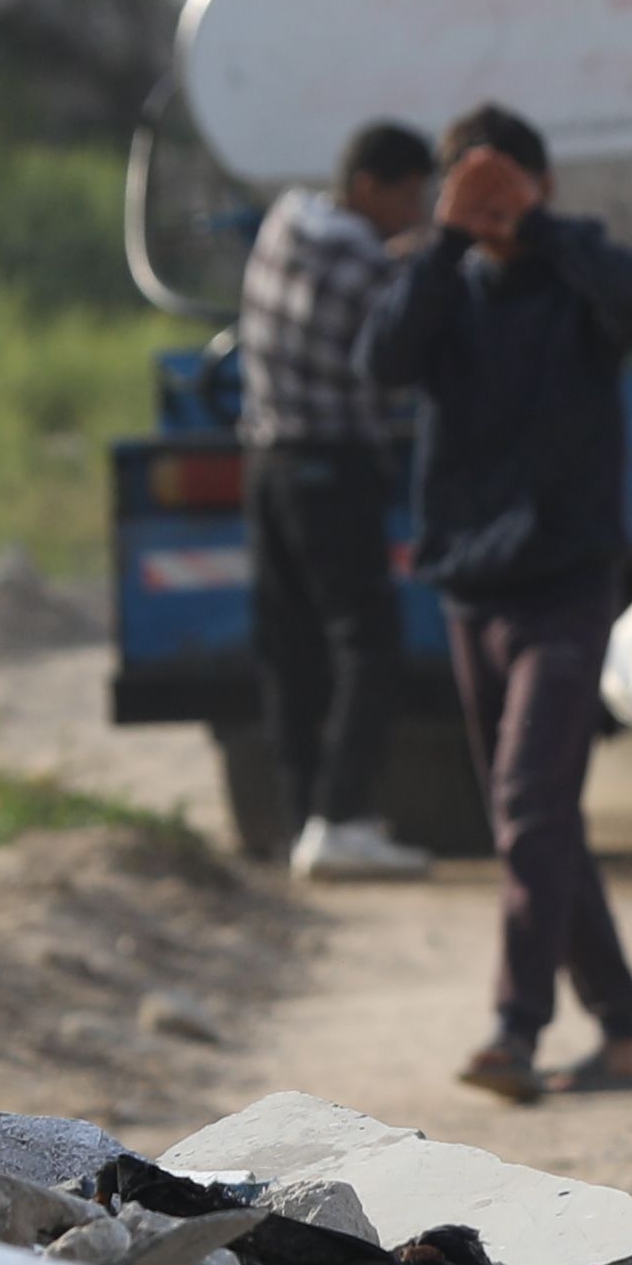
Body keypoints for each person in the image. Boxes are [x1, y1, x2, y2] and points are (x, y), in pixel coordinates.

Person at [375, 104, 632, 1099]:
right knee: (540, 822)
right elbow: (384, 360)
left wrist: (532, 228)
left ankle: (516, 1027)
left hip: (568, 583)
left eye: (510, 184)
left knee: (528, 802)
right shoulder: (440, 280)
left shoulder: (579, 269)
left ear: (544, 188)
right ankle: (624, 1033)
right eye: (473, 185)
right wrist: (450, 237)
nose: (492, 204)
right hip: (471, 585)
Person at [239, 121, 439, 886]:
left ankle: (302, 820)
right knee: (368, 641)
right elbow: (402, 339)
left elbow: (357, 264)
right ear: (368, 189)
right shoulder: (361, 258)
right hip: (332, 465)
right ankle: (344, 819)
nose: (415, 213)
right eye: (410, 196)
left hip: (267, 462)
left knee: (289, 648)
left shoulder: (288, 220)